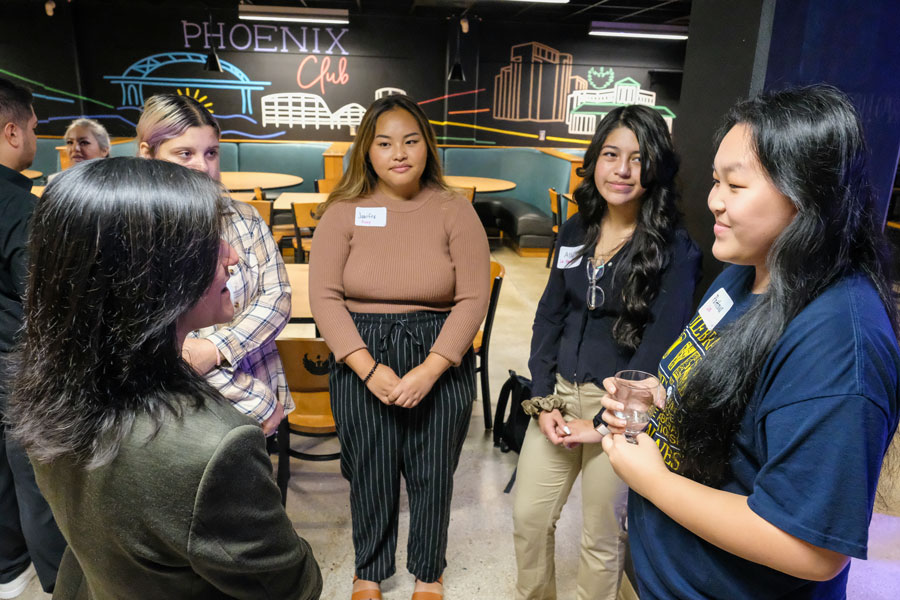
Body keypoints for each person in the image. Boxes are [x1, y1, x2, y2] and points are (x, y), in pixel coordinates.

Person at [583, 85, 900, 598]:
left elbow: (812, 551)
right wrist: (665, 399)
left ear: (806, 193)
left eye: (735, 185)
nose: (714, 201)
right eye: (714, 181)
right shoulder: (744, 273)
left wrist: (652, 480)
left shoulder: (839, 343)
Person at [6, 157, 323, 599]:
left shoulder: (46, 389)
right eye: (212, 241)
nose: (233, 256)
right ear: (155, 269)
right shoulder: (213, 448)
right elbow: (290, 585)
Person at [512, 105, 701, 600]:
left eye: (637, 159)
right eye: (611, 154)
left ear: (655, 167)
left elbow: (662, 352)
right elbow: (549, 314)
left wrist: (600, 426)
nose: (621, 170)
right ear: (594, 160)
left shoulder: (675, 250)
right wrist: (541, 398)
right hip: (559, 398)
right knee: (530, 518)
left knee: (601, 539)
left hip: (621, 415)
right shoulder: (577, 230)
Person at [308, 94, 490, 600]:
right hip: (362, 352)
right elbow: (324, 298)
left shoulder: (455, 210)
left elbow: (474, 297)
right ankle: (370, 570)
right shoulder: (343, 212)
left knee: (433, 471)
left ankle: (428, 572)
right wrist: (368, 369)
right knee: (371, 469)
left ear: (427, 147)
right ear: (366, 151)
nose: (399, 153)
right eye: (384, 143)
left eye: (411, 141)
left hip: (440, 350)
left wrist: (432, 368)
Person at [136, 93, 292, 436]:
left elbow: (277, 297)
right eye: (185, 153)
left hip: (254, 391)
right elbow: (162, 346)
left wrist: (218, 348)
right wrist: (256, 400)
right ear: (148, 154)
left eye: (211, 153)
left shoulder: (244, 218)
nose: (203, 167)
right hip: (175, 416)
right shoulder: (136, 231)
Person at [0, 76, 65, 598]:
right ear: (12, 131)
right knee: (40, 484)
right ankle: (59, 585)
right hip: (18, 365)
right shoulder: (22, 209)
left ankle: (9, 571)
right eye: (35, 128)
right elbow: (46, 303)